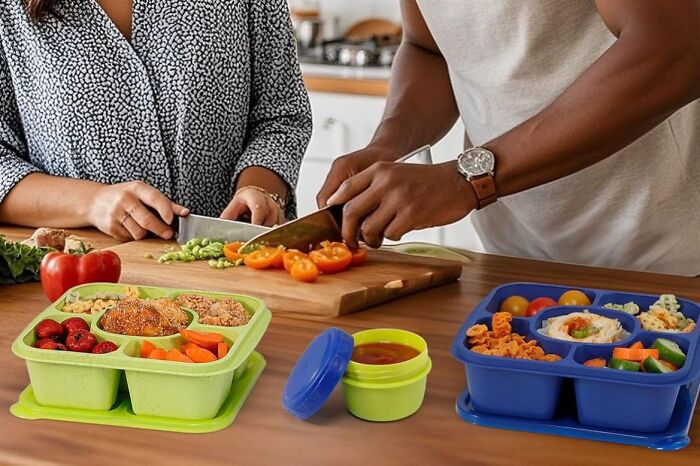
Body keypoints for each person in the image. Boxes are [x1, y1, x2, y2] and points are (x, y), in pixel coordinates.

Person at [318, 0, 700, 276]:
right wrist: (388, 145)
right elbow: (430, 48)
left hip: (657, 259)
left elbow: (676, 48)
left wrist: (468, 180)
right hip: (512, 257)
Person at [0, 0, 311, 241]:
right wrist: (92, 203)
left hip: (237, 271)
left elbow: (281, 114)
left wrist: (260, 190)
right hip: (77, 288)